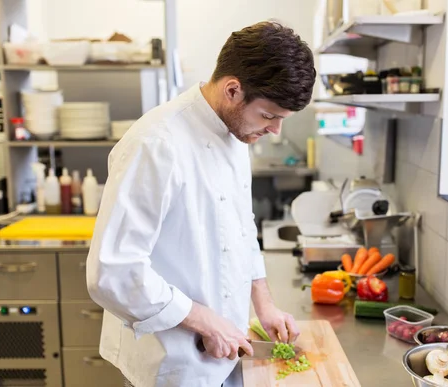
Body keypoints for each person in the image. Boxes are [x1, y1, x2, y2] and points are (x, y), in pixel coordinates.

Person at [86, 21, 316, 387]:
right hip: (170, 365)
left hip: (226, 354)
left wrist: (264, 303)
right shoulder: (156, 144)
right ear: (232, 90)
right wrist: (204, 320)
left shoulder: (237, 133)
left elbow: (242, 228)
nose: (275, 131)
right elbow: (113, 272)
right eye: (270, 116)